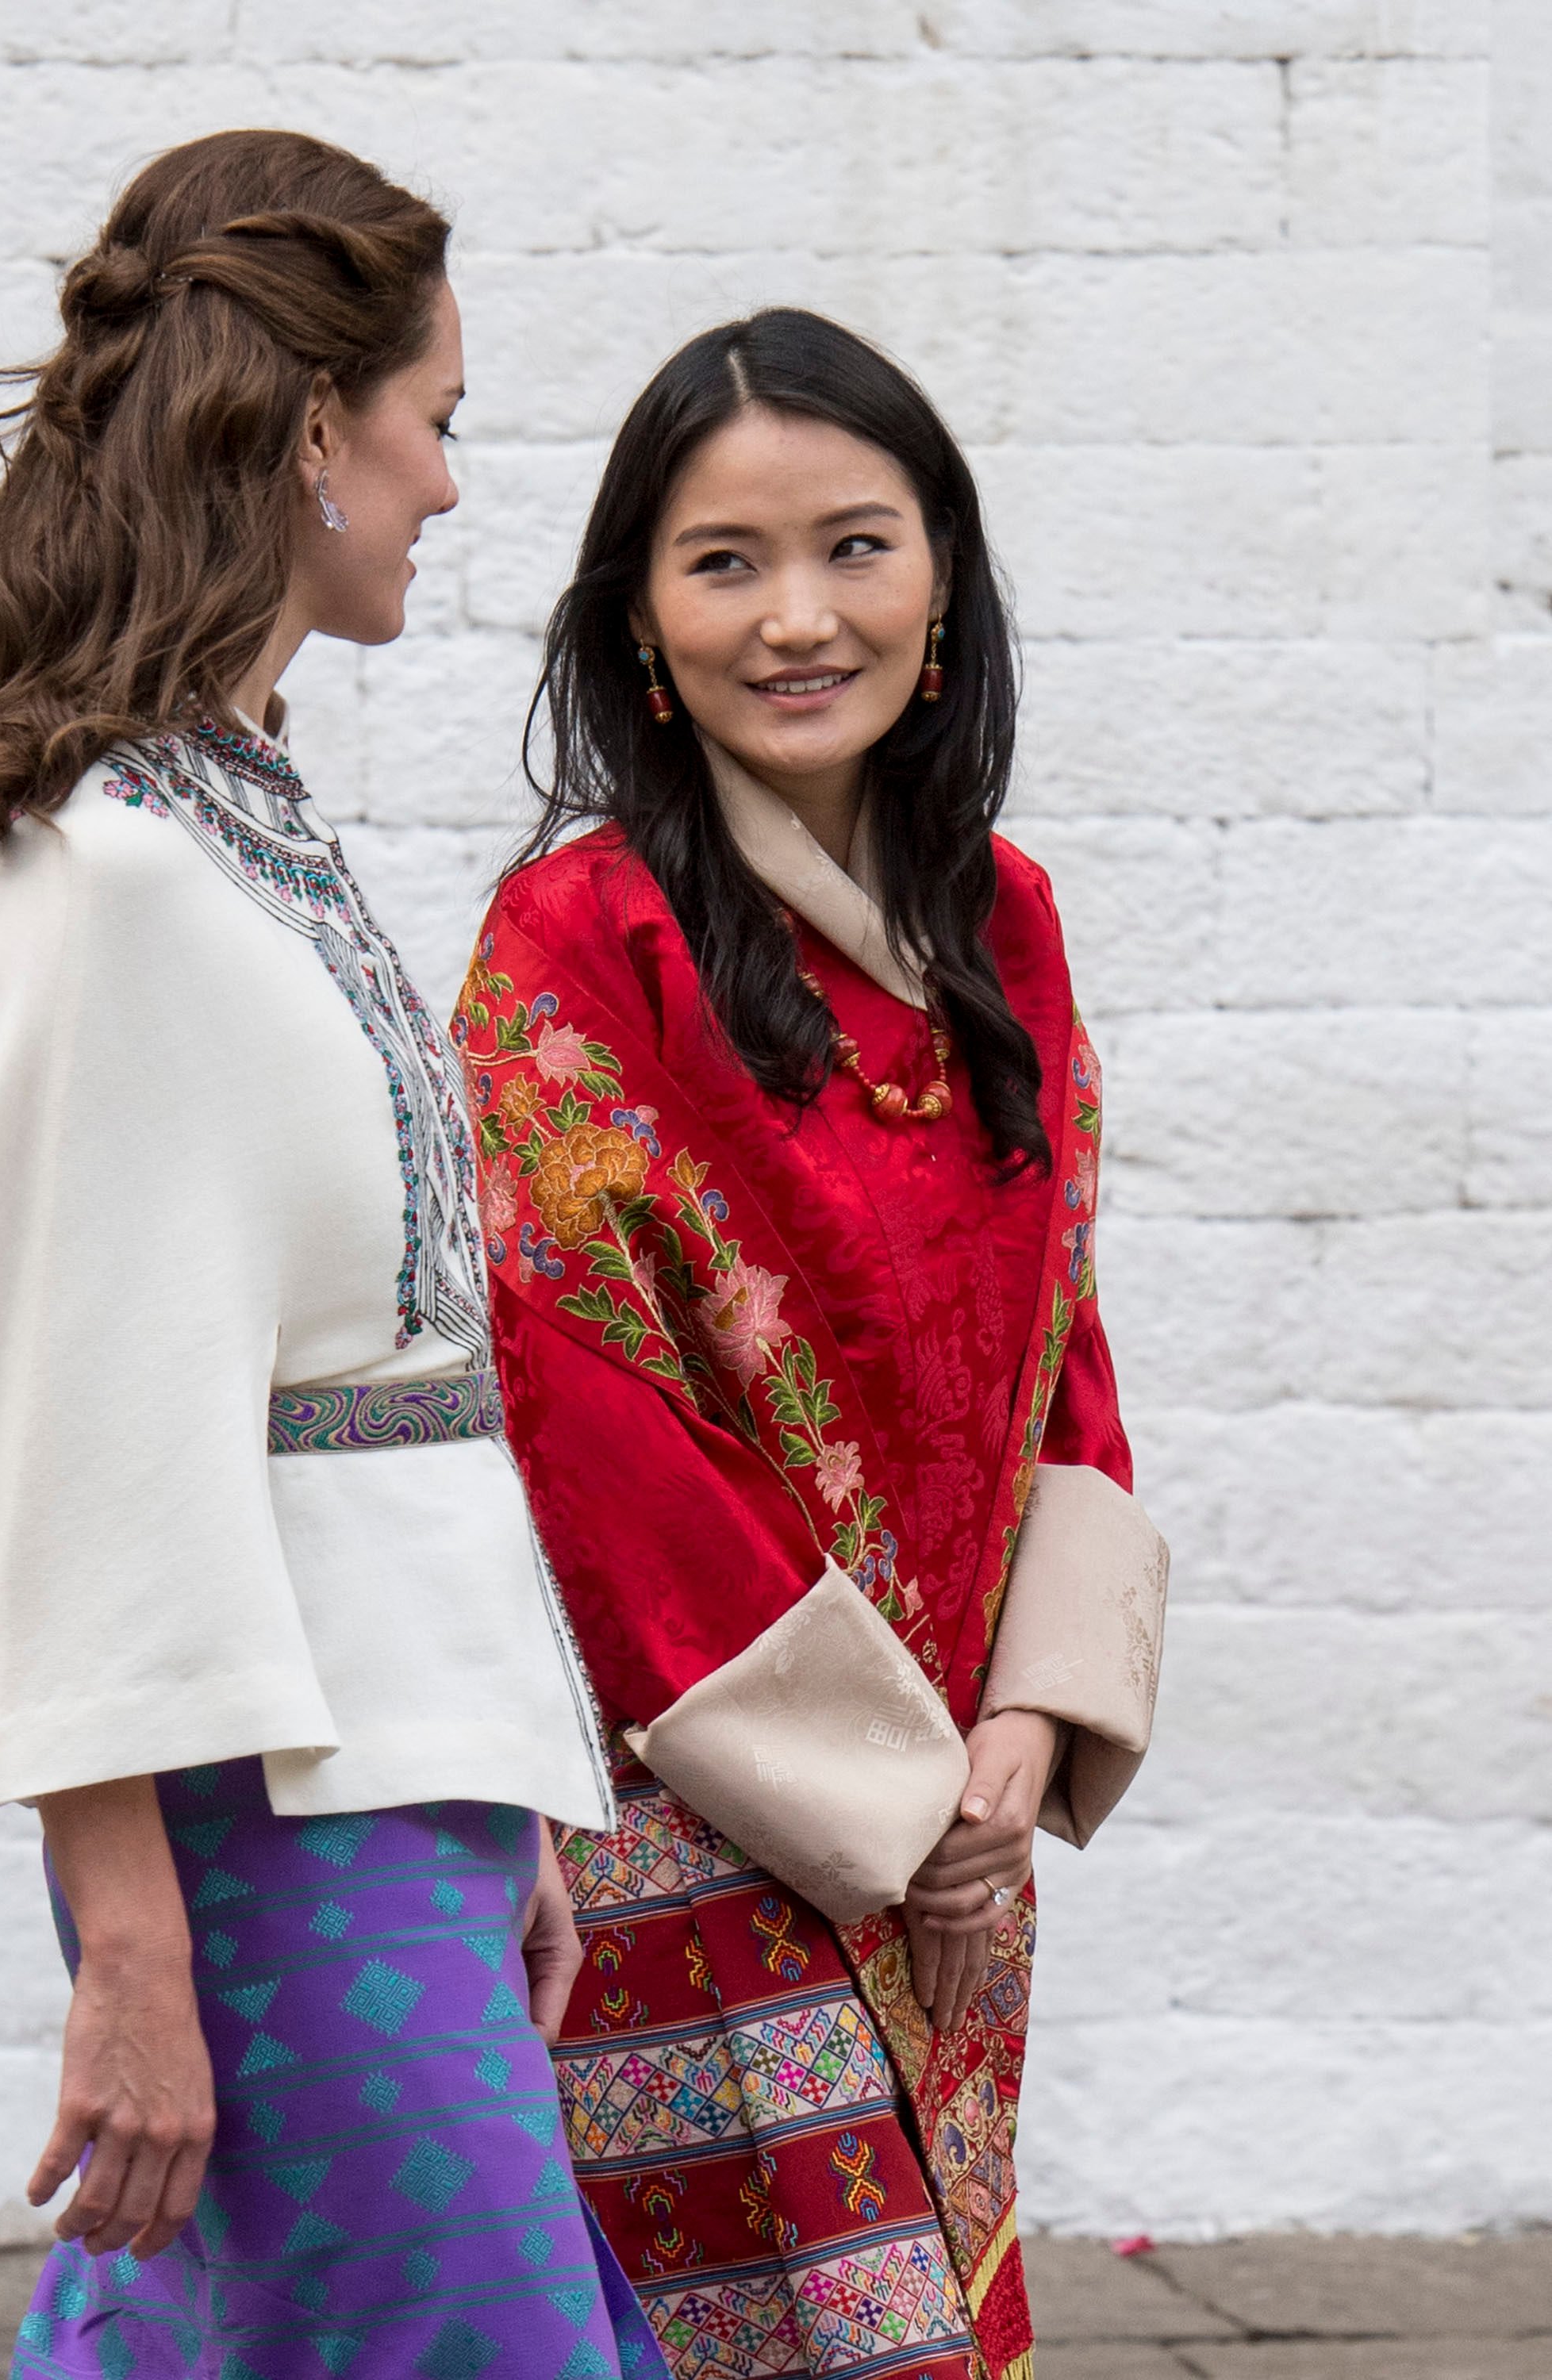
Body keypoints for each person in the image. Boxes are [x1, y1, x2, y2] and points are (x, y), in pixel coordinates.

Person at [0, 129, 668, 2380]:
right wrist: (130, 1942)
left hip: (393, 1790)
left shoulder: (238, 822)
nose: (452, 489)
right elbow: (81, 1413)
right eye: (437, 423)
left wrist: (501, 1793)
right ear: (308, 429)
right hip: (263, 1833)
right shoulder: (115, 873)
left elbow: (376, 1382)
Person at [454, 309, 1168, 2380]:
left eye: (855, 545)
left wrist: (1027, 1731)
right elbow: (574, 1410)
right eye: (724, 562)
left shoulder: (1001, 921)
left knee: (941, 2306)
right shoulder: (578, 947)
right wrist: (894, 1784)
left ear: (941, 576)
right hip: (701, 1808)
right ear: (639, 623)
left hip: (958, 1799)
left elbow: (1062, 1344)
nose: (797, 619)